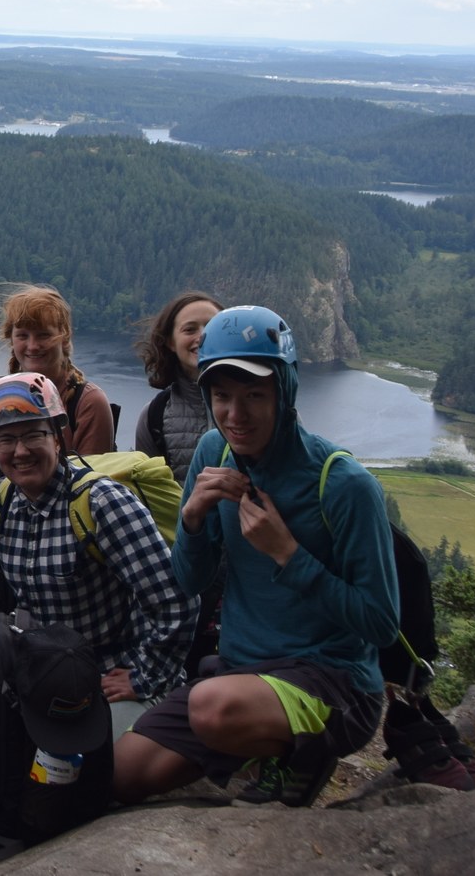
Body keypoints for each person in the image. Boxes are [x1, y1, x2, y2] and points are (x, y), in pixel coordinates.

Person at [114, 305, 399, 808]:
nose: (235, 415)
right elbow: (190, 580)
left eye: (254, 395)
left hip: (335, 684)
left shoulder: (343, 485)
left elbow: (381, 623)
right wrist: (192, 521)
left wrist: (287, 553)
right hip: (242, 676)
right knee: (120, 774)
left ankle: (300, 756)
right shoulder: (213, 453)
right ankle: (253, 745)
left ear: (284, 391)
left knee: (211, 707)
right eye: (222, 396)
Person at [0, 373, 196, 735]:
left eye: (33, 435)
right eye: (6, 439)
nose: (20, 451)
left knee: (105, 761)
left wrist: (145, 676)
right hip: (42, 671)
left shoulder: (102, 504)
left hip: (109, 671)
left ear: (57, 437)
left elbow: (176, 600)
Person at [0, 284, 115, 490]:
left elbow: (91, 486)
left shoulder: (87, 402)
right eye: (23, 336)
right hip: (3, 509)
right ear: (11, 339)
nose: (32, 346)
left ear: (64, 337)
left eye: (43, 335)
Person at [131, 290, 223, 484]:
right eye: (190, 330)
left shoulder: (260, 404)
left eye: (212, 327)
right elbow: (150, 493)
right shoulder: (154, 416)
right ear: (170, 342)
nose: (202, 336)